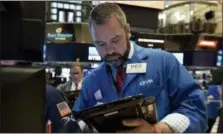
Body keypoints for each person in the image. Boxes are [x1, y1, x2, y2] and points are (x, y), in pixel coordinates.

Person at [73, 2, 207, 133]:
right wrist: (86, 128)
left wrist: (158, 130)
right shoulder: (92, 80)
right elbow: (76, 119)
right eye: (100, 44)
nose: (109, 51)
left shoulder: (164, 62)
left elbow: (196, 110)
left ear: (127, 31)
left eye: (115, 40)